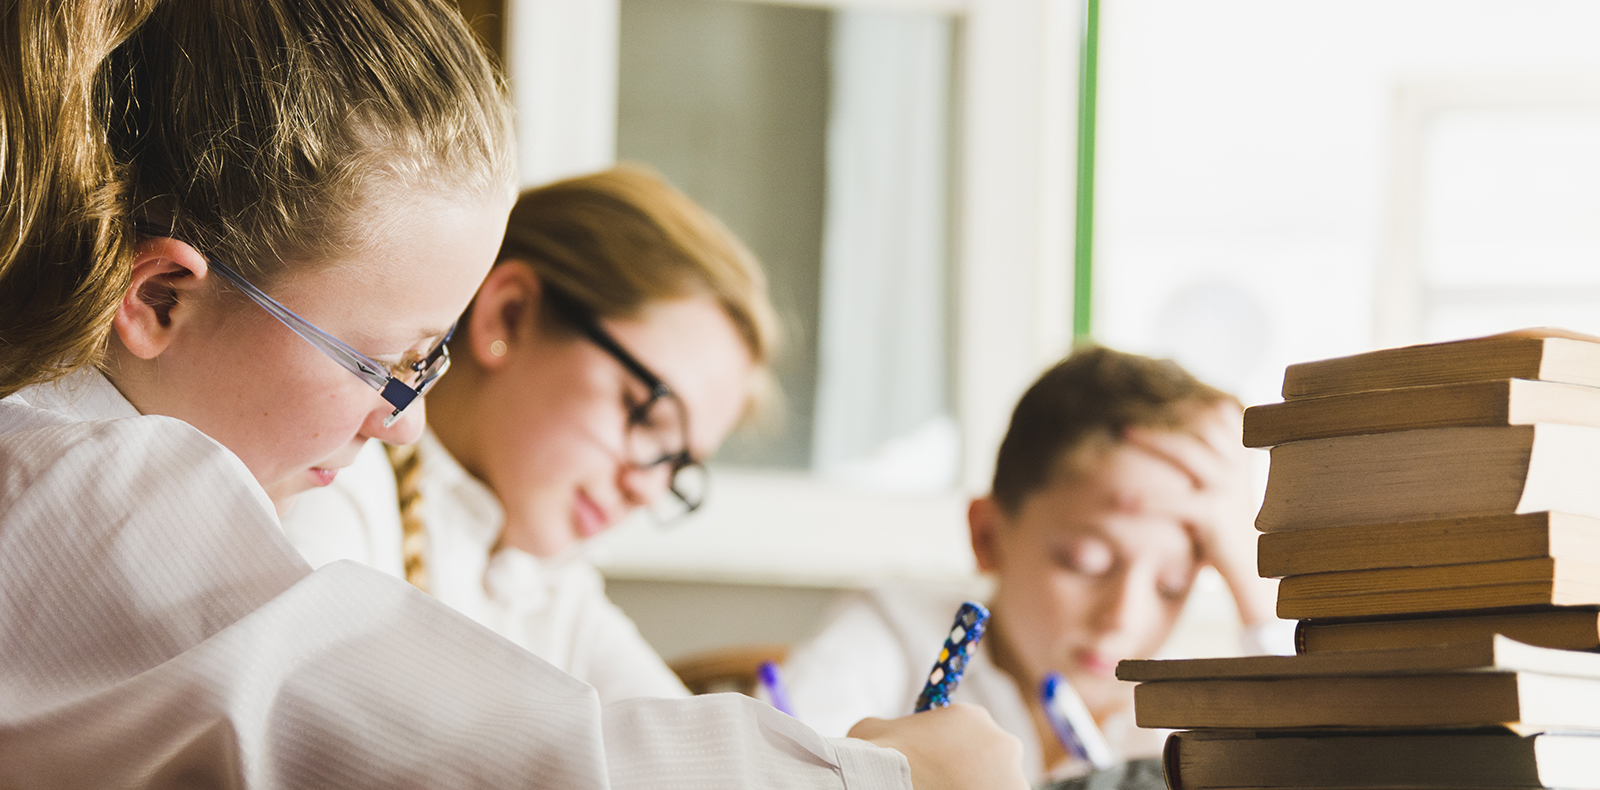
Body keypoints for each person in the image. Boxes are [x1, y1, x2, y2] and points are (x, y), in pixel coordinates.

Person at [0, 2, 1029, 787]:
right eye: (383, 362)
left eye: (421, 365)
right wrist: (883, 774)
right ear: (162, 297)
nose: (397, 417)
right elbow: (490, 754)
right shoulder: (69, 481)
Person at [280, 165, 778, 702]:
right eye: (645, 416)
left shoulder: (550, 587)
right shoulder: (333, 481)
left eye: (677, 464)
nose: (648, 488)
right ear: (509, 316)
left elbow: (691, 751)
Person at [782, 346, 1292, 784]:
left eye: (1171, 585)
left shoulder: (1188, 724)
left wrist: (1256, 587)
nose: (1123, 617)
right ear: (988, 535)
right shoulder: (897, 630)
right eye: (1086, 563)